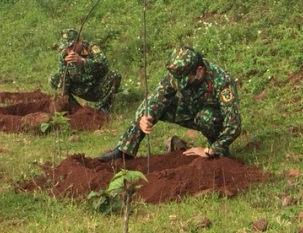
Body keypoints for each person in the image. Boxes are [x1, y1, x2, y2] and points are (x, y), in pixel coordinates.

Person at [96, 45, 241, 161]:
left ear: (199, 70)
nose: (179, 85)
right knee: (149, 105)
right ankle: (125, 150)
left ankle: (219, 152)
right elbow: (157, 97)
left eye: (184, 81)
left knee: (207, 118)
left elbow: (233, 125)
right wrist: (146, 118)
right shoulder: (179, 73)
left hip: (212, 118)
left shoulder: (221, 81)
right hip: (189, 110)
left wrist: (209, 151)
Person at [48, 28, 122, 112]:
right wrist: (62, 97)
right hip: (81, 88)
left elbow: (104, 65)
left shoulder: (91, 48)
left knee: (115, 75)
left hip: (98, 87)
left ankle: (102, 109)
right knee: (54, 78)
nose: (69, 50)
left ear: (80, 41)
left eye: (71, 46)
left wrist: (82, 61)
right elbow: (64, 78)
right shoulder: (64, 55)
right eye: (66, 47)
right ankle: (76, 110)